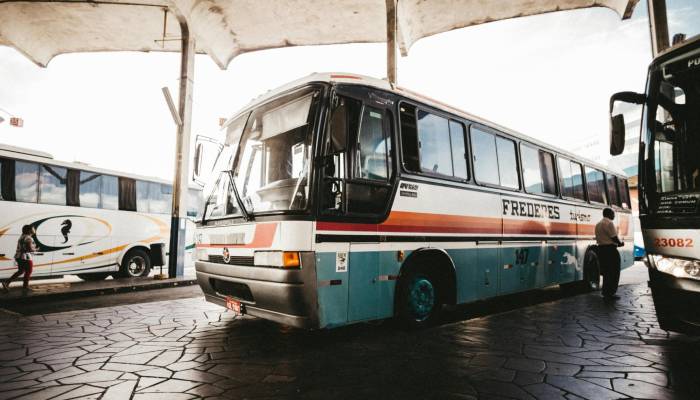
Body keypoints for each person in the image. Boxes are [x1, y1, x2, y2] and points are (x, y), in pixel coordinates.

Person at [594, 208, 624, 300]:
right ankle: (611, 293)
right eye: (613, 214)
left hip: (601, 250)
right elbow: (614, 237)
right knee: (614, 272)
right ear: (609, 214)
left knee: (606, 272)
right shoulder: (609, 223)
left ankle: (605, 292)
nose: (614, 216)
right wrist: (620, 243)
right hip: (610, 250)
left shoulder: (598, 224)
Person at [2, 225, 36, 294]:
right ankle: (25, 287)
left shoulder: (22, 236)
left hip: (18, 256)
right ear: (29, 230)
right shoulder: (28, 238)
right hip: (25, 257)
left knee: (21, 271)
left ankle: (6, 282)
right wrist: (35, 249)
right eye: (33, 228)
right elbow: (30, 249)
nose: (34, 229)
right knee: (29, 271)